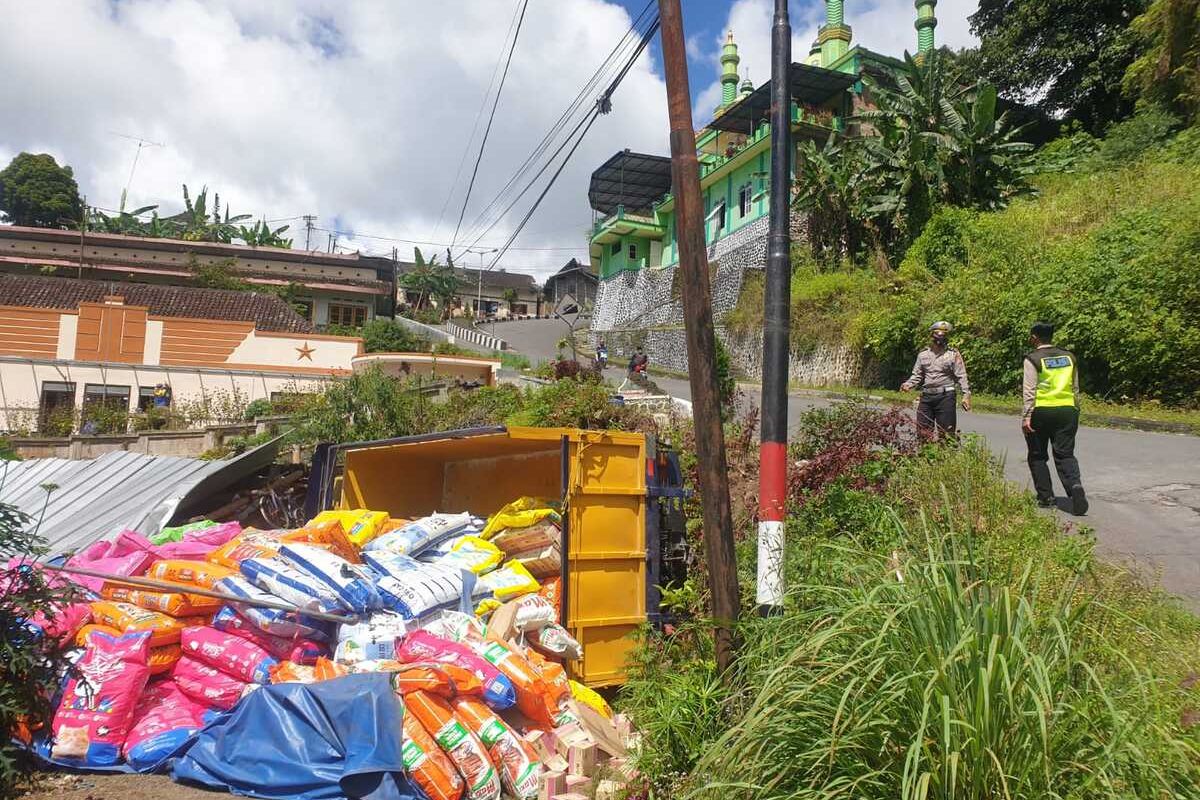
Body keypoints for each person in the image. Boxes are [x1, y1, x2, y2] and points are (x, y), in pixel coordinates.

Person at [1022, 321, 1088, 514]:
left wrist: (1026, 417)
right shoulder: (1069, 357)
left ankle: (1046, 497)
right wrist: (1075, 409)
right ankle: (1074, 486)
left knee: (1037, 455)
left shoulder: (1032, 359)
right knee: (1065, 454)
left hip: (1041, 411)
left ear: (1034, 338)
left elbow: (1029, 391)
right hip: (1068, 410)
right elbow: (1075, 387)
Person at [900, 321, 971, 436]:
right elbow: (917, 375)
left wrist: (966, 395)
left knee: (946, 434)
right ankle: (924, 453)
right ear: (931, 337)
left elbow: (961, 375)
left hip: (946, 397)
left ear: (946, 338)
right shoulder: (923, 355)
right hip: (927, 397)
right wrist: (908, 384)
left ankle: (946, 453)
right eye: (937, 336)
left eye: (943, 337)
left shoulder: (953, 354)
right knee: (923, 432)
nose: (939, 340)